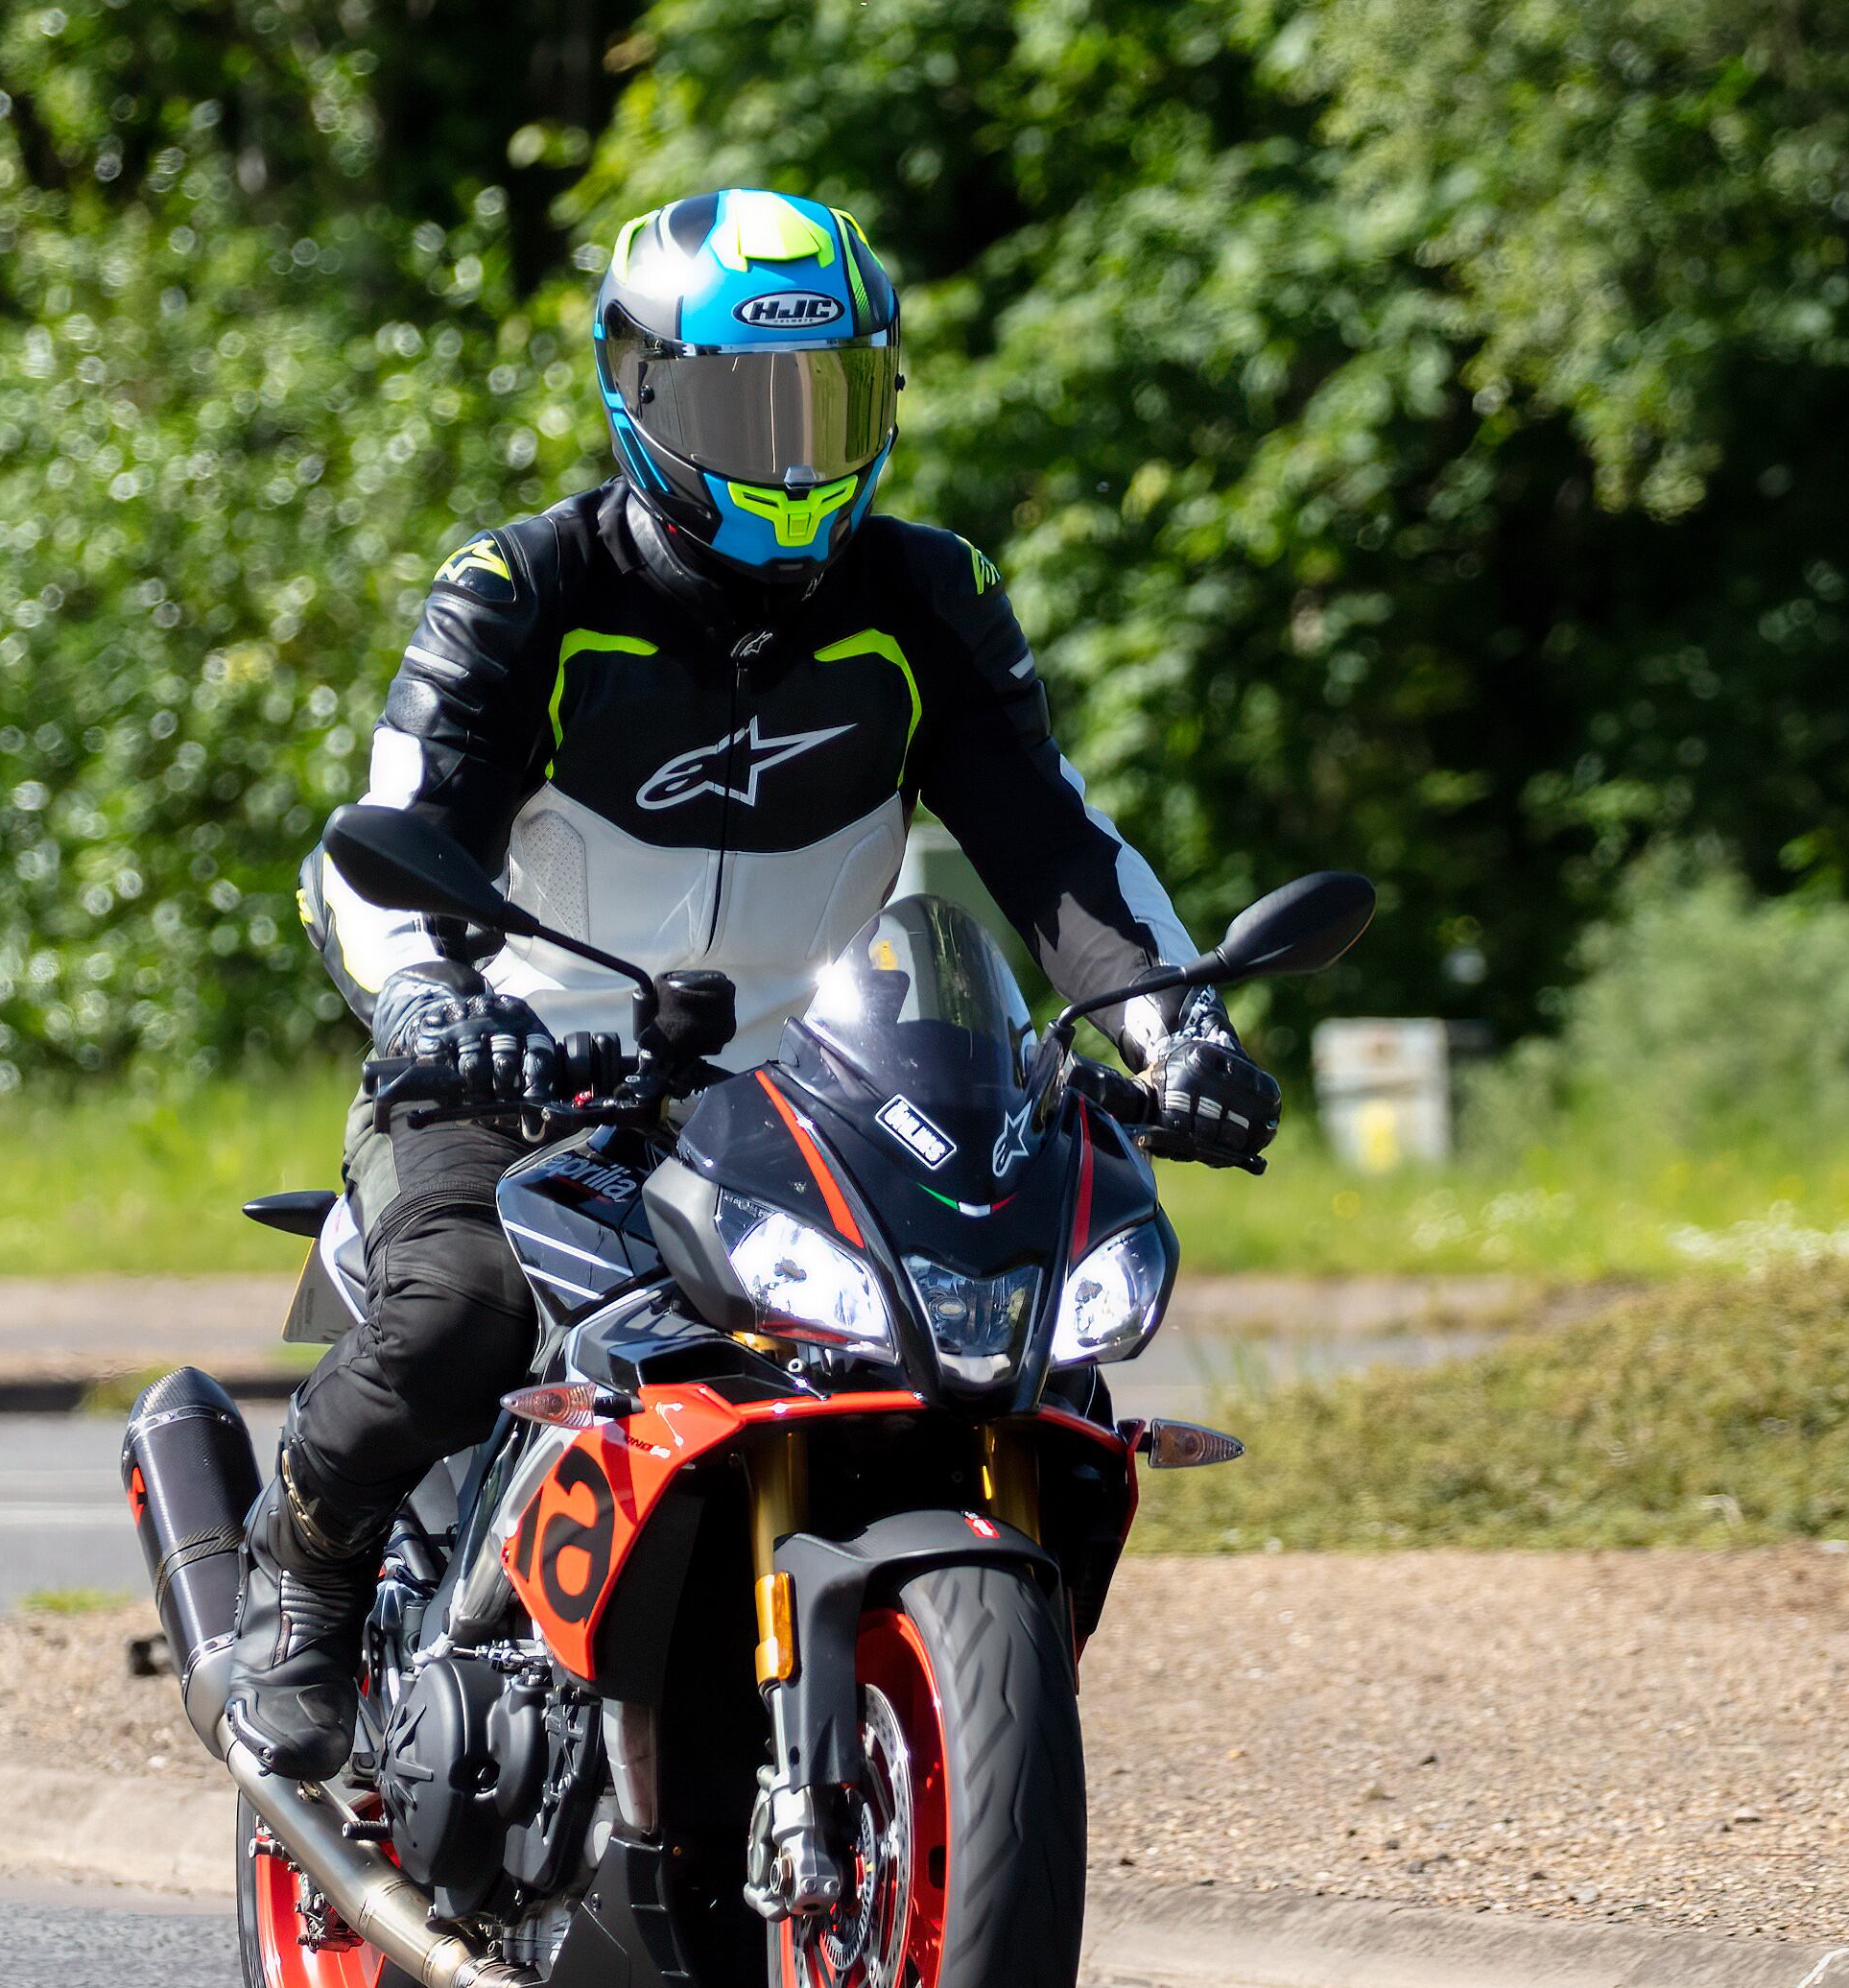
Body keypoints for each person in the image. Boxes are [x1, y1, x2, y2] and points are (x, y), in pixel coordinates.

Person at [230, 188, 1281, 1778]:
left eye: (827, 403)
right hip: (522, 1074)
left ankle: (936, 1711)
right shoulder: (522, 593)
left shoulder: (930, 598)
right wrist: (433, 1001)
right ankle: (299, 1578)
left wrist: (1180, 1022)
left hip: (813, 1097)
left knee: (1031, 1358)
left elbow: (1055, 851)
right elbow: (377, 841)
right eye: (740, 404)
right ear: (636, 391)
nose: (790, 453)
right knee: (459, 1314)